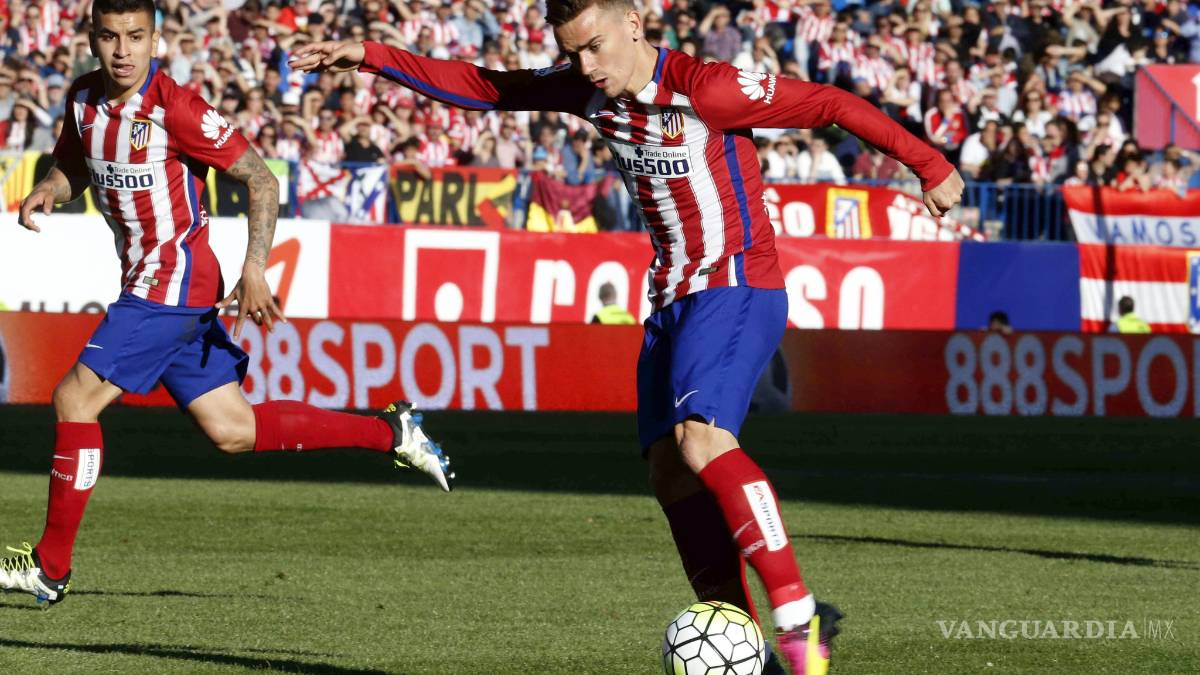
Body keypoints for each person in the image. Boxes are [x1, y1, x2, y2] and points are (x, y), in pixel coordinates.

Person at [289, 0, 963, 670]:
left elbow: (831, 103)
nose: (585, 65)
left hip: (735, 281)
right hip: (669, 296)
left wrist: (929, 165)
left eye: (594, 46)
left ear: (634, 24)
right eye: (571, 52)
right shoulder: (586, 90)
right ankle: (742, 640)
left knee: (701, 440)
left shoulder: (708, 90)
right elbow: (485, 86)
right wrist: (371, 56)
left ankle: (797, 615)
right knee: (668, 470)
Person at [0, 0, 453, 608]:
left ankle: (49, 567)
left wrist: (255, 267)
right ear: (91, 38)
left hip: (171, 283)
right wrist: (50, 189)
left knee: (74, 400)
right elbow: (75, 165)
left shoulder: (178, 108)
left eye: (136, 36)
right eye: (110, 37)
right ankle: (389, 432)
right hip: (151, 284)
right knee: (234, 430)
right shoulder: (83, 99)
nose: (123, 50)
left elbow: (262, 179)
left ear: (156, 39)